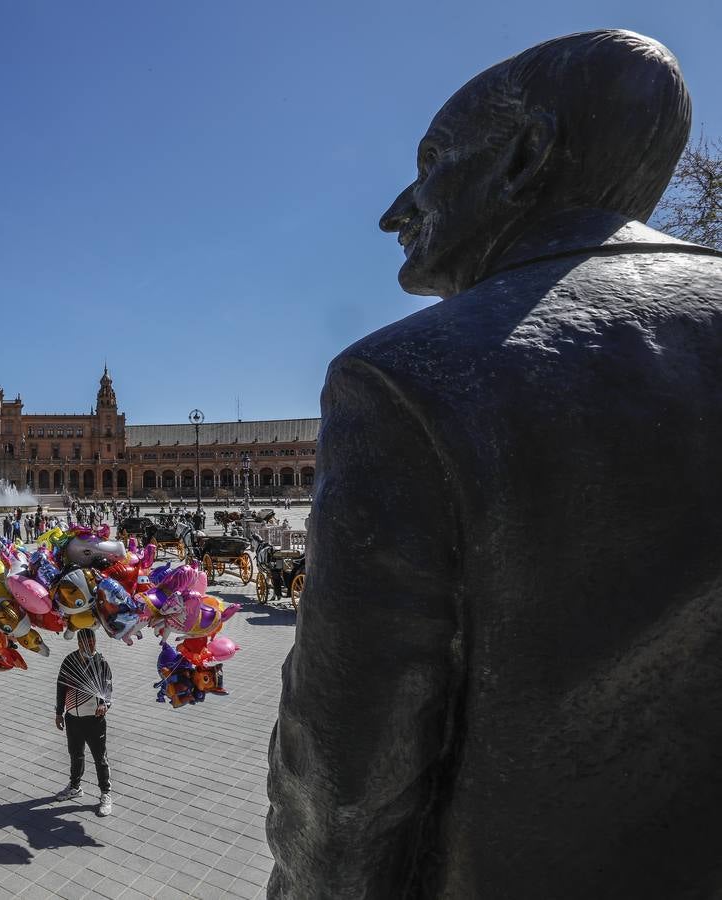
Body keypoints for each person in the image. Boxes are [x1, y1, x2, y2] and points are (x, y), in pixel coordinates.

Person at [268, 30, 722, 900]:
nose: (397, 209)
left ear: (525, 157)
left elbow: (345, 765)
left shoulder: (405, 381)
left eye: (433, 160)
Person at [54, 629, 113, 816]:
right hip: (72, 718)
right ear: (78, 643)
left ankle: (105, 794)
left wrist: (105, 704)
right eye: (85, 644)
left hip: (94, 719)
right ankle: (75, 787)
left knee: (100, 758)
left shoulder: (101, 663)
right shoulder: (69, 661)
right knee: (75, 754)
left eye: (92, 643)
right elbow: (60, 687)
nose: (89, 647)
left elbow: (108, 688)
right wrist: (59, 712)